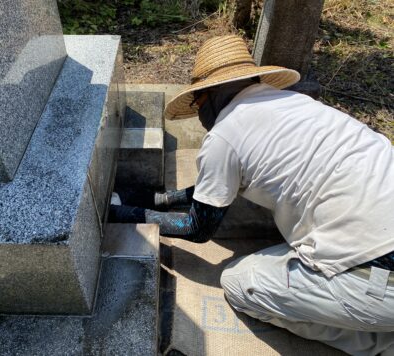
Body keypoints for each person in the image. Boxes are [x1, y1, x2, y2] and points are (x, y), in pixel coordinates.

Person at [110, 35, 394, 355]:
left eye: (197, 106)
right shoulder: (295, 104)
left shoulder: (224, 136)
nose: (200, 118)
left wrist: (126, 216)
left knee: (239, 283)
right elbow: (214, 192)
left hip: (380, 275)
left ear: (209, 97)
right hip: (379, 226)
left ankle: (379, 342)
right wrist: (158, 199)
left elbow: (198, 227)